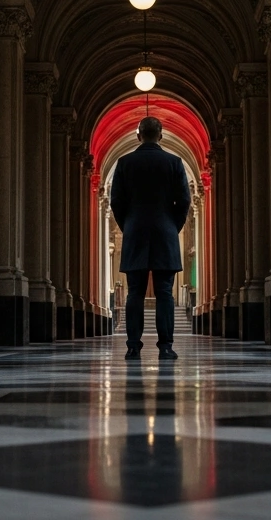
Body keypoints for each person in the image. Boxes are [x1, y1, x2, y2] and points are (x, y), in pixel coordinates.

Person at [109, 116, 191, 360]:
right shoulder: (174, 163)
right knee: (165, 292)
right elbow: (184, 201)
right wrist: (171, 226)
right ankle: (165, 346)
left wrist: (129, 225)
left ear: (138, 136)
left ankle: (133, 346)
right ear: (161, 135)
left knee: (135, 292)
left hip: (134, 231)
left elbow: (116, 202)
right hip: (165, 231)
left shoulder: (124, 163)